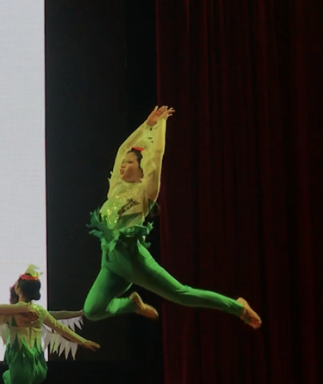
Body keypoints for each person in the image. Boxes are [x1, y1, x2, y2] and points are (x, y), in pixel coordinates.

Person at [82, 106, 261, 328]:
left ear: (141, 170)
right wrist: (146, 125)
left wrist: (159, 127)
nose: (123, 165)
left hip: (134, 262)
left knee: (182, 294)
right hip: (110, 265)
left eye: (130, 162)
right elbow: (123, 150)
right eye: (124, 162)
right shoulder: (116, 188)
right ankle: (132, 305)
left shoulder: (145, 192)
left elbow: (156, 157)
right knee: (92, 310)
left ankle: (238, 307)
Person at [0, 266, 100, 384]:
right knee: (7, 376)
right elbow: (60, 325)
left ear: (18, 289)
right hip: (40, 368)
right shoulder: (39, 311)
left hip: (21, 366)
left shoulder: (9, 312)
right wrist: (83, 341)